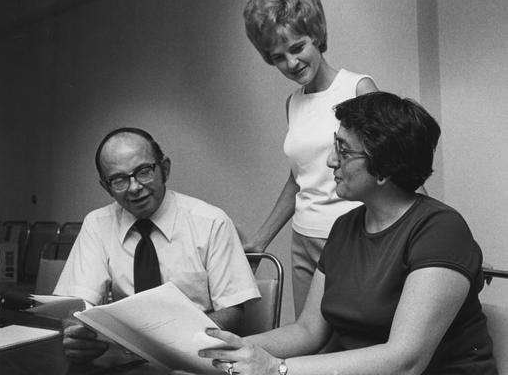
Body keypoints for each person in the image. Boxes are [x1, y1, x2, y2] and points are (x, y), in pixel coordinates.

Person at [198, 92, 498, 375]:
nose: (330, 160)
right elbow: (308, 331)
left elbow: (406, 361)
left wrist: (278, 369)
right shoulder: (345, 227)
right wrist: (222, 349)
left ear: (383, 170)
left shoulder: (440, 230)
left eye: (343, 151)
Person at [54, 127, 260, 362]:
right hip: (126, 360)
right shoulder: (97, 224)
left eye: (143, 172)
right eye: (119, 180)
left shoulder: (212, 222)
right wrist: (79, 334)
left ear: (165, 169)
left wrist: (176, 342)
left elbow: (233, 310)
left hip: (197, 356)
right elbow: (77, 303)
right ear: (105, 187)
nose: (134, 187)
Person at [242, 0, 378, 317]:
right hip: (303, 239)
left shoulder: (359, 88)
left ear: (316, 36)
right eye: (277, 57)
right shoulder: (293, 103)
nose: (291, 63)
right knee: (311, 341)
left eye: (297, 47)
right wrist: (260, 240)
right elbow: (299, 178)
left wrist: (432, 233)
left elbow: (397, 164)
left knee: (353, 341)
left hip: (353, 237)